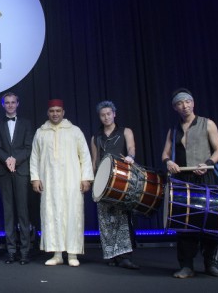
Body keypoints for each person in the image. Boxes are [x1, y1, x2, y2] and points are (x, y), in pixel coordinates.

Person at [161, 88, 218, 279]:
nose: (185, 106)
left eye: (188, 102)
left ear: (193, 103)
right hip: (183, 180)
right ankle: (187, 265)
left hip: (205, 178)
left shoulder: (208, 124)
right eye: (180, 103)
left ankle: (210, 264)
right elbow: (165, 154)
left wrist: (207, 165)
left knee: (210, 221)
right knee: (184, 224)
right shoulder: (173, 130)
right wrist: (169, 162)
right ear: (175, 107)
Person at [30, 99, 94, 267]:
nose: (55, 114)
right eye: (52, 111)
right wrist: (35, 177)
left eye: (58, 111)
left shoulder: (74, 131)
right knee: (51, 215)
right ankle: (57, 254)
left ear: (63, 112)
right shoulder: (41, 132)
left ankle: (72, 254)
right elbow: (34, 157)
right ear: (48, 113)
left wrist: (86, 178)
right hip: (49, 182)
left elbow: (85, 156)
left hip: (71, 181)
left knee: (73, 215)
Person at [90, 101, 139, 270]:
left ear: (114, 114)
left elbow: (131, 148)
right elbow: (94, 161)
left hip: (122, 180)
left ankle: (125, 256)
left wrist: (131, 157)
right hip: (103, 183)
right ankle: (112, 255)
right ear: (100, 117)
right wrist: (93, 183)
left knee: (122, 219)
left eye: (109, 114)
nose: (106, 117)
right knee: (105, 220)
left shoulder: (125, 131)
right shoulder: (96, 137)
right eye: (103, 115)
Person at [0, 92, 34, 264]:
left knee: (23, 213)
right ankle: (11, 251)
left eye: (12, 102)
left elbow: (28, 146)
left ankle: (24, 251)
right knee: (8, 213)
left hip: (21, 171)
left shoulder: (26, 123)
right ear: (3, 105)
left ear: (18, 104)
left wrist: (15, 159)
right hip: (4, 172)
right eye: (7, 103)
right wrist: (7, 159)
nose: (10, 105)